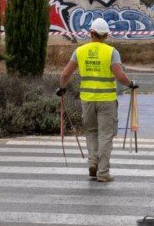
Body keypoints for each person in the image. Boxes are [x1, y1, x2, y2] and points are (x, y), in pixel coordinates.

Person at [57, 17, 137, 183]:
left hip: (87, 100)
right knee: (106, 135)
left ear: (91, 33)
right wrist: (131, 84)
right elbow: (120, 75)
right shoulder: (111, 52)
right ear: (106, 35)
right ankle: (103, 172)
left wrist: (62, 88)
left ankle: (93, 163)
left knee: (91, 132)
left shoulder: (80, 51)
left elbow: (65, 74)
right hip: (106, 100)